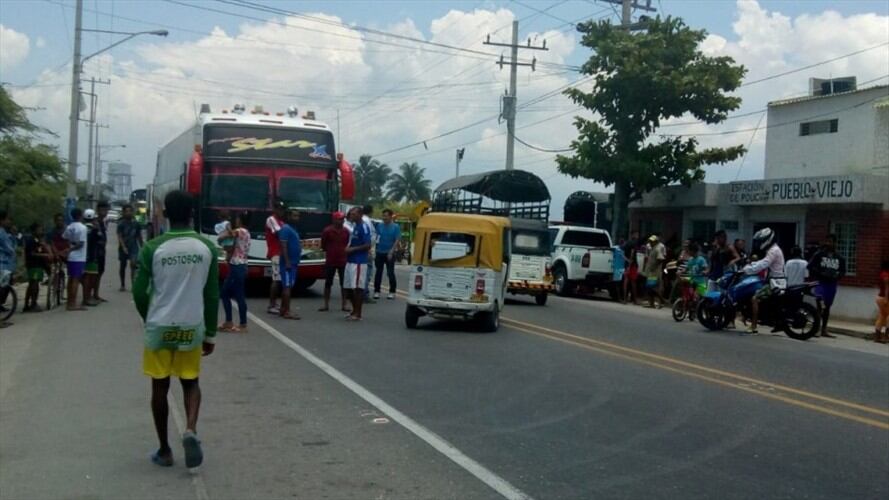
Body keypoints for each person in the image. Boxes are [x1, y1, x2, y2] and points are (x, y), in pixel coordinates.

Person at [133, 189, 219, 470]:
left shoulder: (152, 248)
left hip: (159, 327)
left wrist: (150, 317)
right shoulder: (206, 248)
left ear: (165, 214)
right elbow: (211, 295)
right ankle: (191, 428)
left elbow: (139, 292)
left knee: (160, 386)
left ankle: (164, 450)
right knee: (191, 382)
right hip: (191, 326)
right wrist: (210, 334)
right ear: (192, 214)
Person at [741, 227, 785, 334]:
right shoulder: (773, 250)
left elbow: (763, 264)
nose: (760, 243)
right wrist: (751, 265)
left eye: (761, 241)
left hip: (775, 283)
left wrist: (747, 269)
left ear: (767, 239)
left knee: (755, 298)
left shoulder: (773, 251)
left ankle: (754, 326)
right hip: (773, 281)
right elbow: (761, 263)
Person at [808, 234, 846, 339]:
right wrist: (820, 273)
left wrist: (837, 275)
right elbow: (809, 266)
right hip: (821, 283)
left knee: (827, 307)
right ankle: (816, 329)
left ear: (835, 243)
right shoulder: (819, 254)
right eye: (827, 241)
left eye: (830, 241)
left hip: (832, 285)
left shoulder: (839, 257)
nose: (828, 243)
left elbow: (843, 271)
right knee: (820, 305)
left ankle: (824, 329)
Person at [218, 212, 250, 333]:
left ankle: (240, 323)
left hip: (237, 265)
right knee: (236, 294)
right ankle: (232, 322)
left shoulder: (241, 231)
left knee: (229, 294)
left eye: (236, 219)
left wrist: (221, 237)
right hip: (239, 265)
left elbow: (228, 234)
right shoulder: (246, 233)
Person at [344, 207, 371, 321]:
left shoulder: (364, 227)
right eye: (351, 214)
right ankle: (353, 310)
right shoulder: (355, 226)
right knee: (348, 288)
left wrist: (353, 249)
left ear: (360, 214)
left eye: (354, 214)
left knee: (358, 288)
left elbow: (367, 245)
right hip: (350, 261)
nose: (351, 216)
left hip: (359, 261)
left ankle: (358, 313)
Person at [320, 211, 349, 312]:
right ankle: (326, 304)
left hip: (343, 260)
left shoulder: (346, 231)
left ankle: (344, 304)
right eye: (339, 219)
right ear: (334, 219)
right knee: (328, 283)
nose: (341, 221)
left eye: (342, 219)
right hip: (331, 260)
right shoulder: (327, 231)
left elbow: (347, 243)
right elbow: (323, 245)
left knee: (344, 283)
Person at [62, 208, 88, 311]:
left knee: (71, 278)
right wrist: (70, 249)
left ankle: (69, 302)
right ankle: (72, 303)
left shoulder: (69, 227)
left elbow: (64, 237)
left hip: (71, 257)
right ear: (81, 215)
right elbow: (81, 244)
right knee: (76, 280)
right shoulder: (83, 228)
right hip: (79, 257)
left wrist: (69, 249)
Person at [278, 209, 302, 320]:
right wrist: (287, 261)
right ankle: (287, 311)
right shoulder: (286, 229)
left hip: (294, 263)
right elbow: (283, 246)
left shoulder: (294, 229)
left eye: (298, 216)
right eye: (294, 216)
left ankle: (283, 309)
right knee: (287, 287)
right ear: (289, 216)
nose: (296, 218)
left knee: (289, 286)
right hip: (288, 263)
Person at [373, 209, 401, 300]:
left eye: (386, 216)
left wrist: (391, 251)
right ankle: (376, 291)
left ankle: (392, 291)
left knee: (390, 272)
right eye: (383, 216)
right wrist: (375, 249)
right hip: (380, 252)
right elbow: (376, 237)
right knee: (378, 272)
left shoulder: (395, 227)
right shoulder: (379, 226)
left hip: (389, 253)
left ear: (390, 216)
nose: (384, 218)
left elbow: (397, 240)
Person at [23, 223, 51, 312]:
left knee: (32, 284)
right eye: (39, 229)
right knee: (34, 285)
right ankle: (33, 304)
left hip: (38, 265)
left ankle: (27, 304)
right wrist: (44, 255)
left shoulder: (37, 240)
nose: (41, 231)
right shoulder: (31, 240)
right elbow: (32, 253)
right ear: (34, 230)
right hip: (33, 265)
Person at [265, 200, 286, 314]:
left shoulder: (281, 221)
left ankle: (276, 303)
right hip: (275, 253)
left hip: (281, 253)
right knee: (276, 279)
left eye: (282, 209)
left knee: (280, 279)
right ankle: (272, 305)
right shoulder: (271, 219)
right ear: (275, 209)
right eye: (279, 209)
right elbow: (279, 233)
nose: (281, 211)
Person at [117, 205, 143, 291]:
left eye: (130, 211)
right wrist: (123, 247)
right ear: (123, 212)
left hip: (133, 247)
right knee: (123, 266)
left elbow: (139, 236)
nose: (128, 213)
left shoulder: (136, 224)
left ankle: (133, 284)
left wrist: (142, 246)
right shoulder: (121, 224)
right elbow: (120, 236)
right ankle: (122, 284)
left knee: (133, 264)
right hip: (123, 247)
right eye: (126, 211)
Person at [82, 209, 101, 307]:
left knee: (86, 277)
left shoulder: (82, 228)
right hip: (92, 256)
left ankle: (86, 298)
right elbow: (99, 238)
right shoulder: (95, 229)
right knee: (90, 278)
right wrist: (97, 227)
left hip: (83, 256)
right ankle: (87, 298)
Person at [0, 211, 17, 324]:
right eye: (7, 219)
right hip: (3, 264)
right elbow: (9, 248)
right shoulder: (1, 233)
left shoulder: (4, 233)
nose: (9, 222)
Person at [643, 234, 666, 309]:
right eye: (650, 241)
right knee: (650, 288)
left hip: (654, 272)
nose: (650, 242)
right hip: (651, 271)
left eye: (652, 241)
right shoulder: (652, 248)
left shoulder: (657, 248)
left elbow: (661, 259)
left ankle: (661, 300)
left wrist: (654, 266)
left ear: (656, 241)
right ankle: (652, 303)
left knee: (652, 288)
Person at [93, 201, 110, 302]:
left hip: (101, 252)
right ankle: (92, 294)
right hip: (96, 252)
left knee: (99, 272)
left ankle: (96, 294)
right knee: (94, 273)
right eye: (102, 210)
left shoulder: (102, 222)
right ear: (98, 210)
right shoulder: (95, 222)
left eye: (106, 210)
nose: (104, 212)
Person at [361, 205, 377, 303]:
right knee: (367, 272)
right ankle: (364, 293)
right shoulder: (366, 221)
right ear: (371, 211)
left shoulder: (363, 220)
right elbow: (369, 236)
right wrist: (369, 250)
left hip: (364, 249)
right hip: (367, 249)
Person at [622, 231, 640, 304]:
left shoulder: (626, 243)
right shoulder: (634, 243)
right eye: (636, 234)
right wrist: (630, 261)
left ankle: (625, 299)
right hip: (632, 265)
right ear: (633, 235)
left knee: (626, 282)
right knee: (633, 282)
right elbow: (632, 252)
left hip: (627, 264)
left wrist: (627, 260)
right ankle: (635, 300)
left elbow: (622, 253)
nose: (637, 236)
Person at [874, 260, 889, 344]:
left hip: (880, 297)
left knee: (882, 316)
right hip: (884, 298)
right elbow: (887, 288)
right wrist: (886, 299)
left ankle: (877, 336)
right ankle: (886, 336)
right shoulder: (886, 275)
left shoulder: (882, 274)